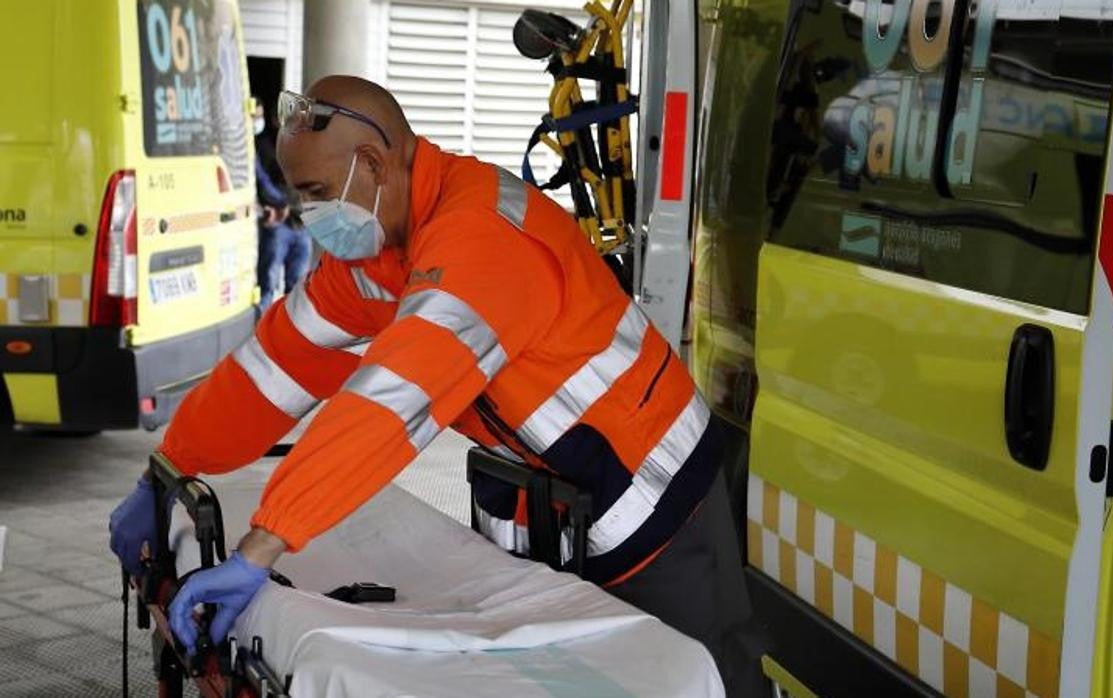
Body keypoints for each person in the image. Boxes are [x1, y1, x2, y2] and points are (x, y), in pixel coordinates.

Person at [108, 76, 765, 695]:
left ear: (372, 164)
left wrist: (263, 545)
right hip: (560, 498)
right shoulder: (377, 255)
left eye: (314, 191)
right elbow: (275, 363)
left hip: (658, 496)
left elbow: (392, 401)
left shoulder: (483, 237)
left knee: (696, 674)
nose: (307, 214)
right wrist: (170, 462)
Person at [253, 102, 311, 309]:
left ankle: (289, 336)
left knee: (297, 289)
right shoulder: (264, 146)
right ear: (275, 120)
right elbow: (262, 182)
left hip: (302, 225)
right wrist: (281, 203)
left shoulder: (305, 147)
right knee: (267, 285)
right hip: (279, 223)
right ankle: (260, 334)